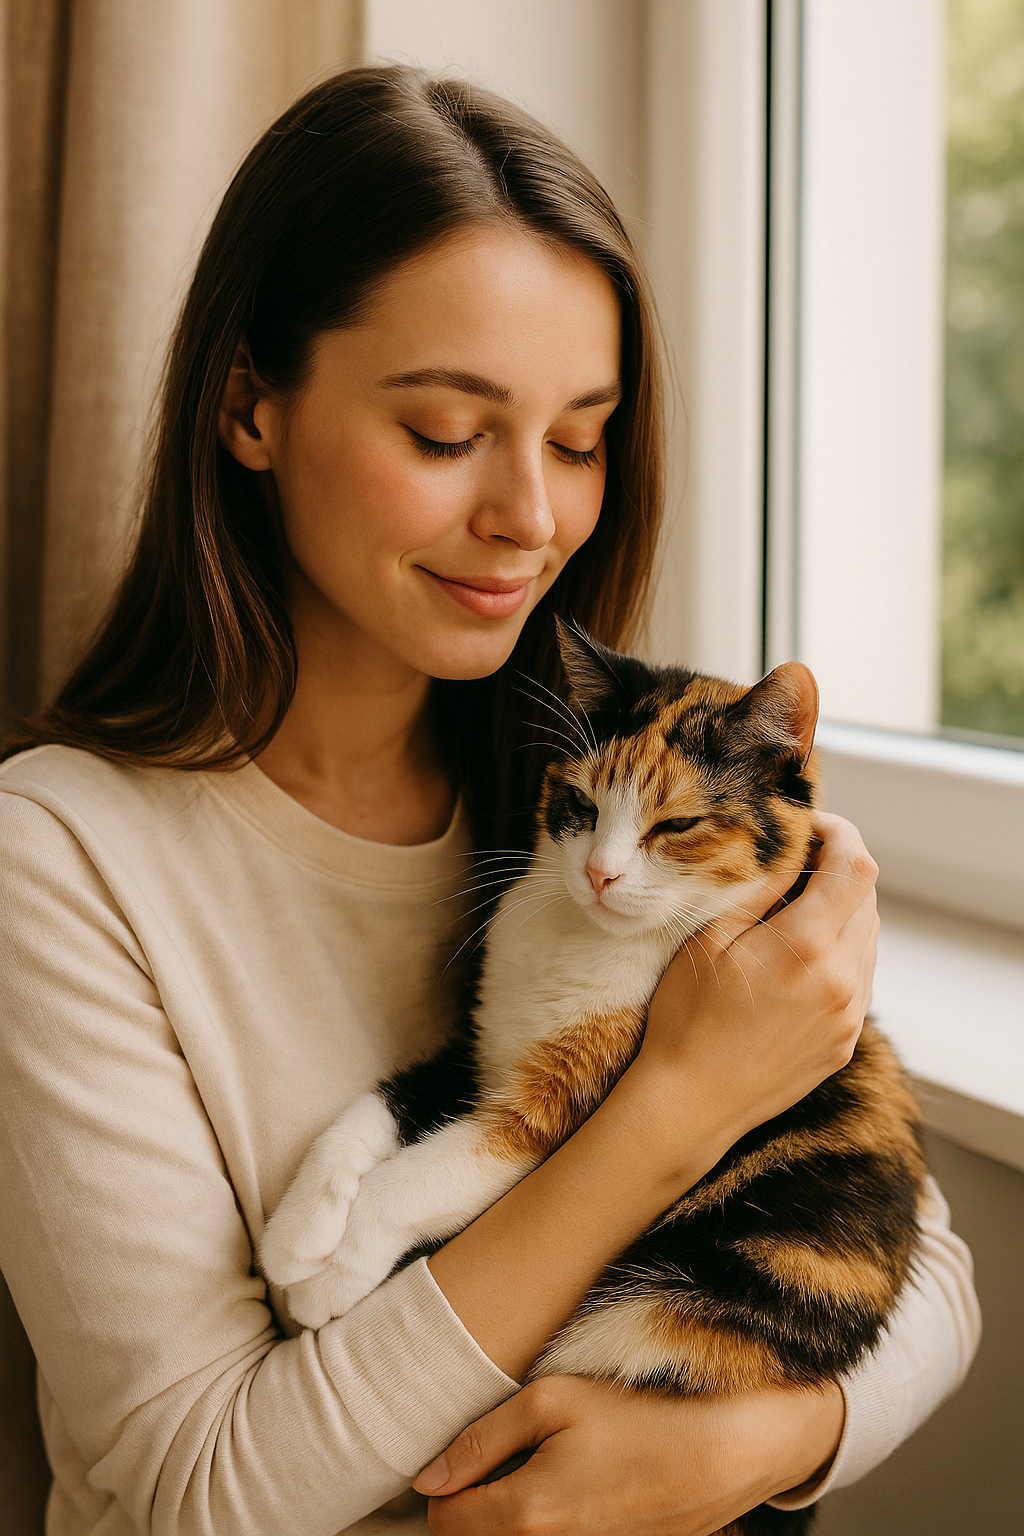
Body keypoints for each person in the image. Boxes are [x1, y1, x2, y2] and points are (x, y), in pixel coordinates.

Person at [0, 67, 979, 1536]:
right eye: (449, 432)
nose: (533, 516)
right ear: (251, 407)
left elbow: (933, 1272)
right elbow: (193, 1493)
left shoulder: (611, 795)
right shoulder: (60, 860)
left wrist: (758, 1442)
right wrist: (673, 1106)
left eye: (580, 441)